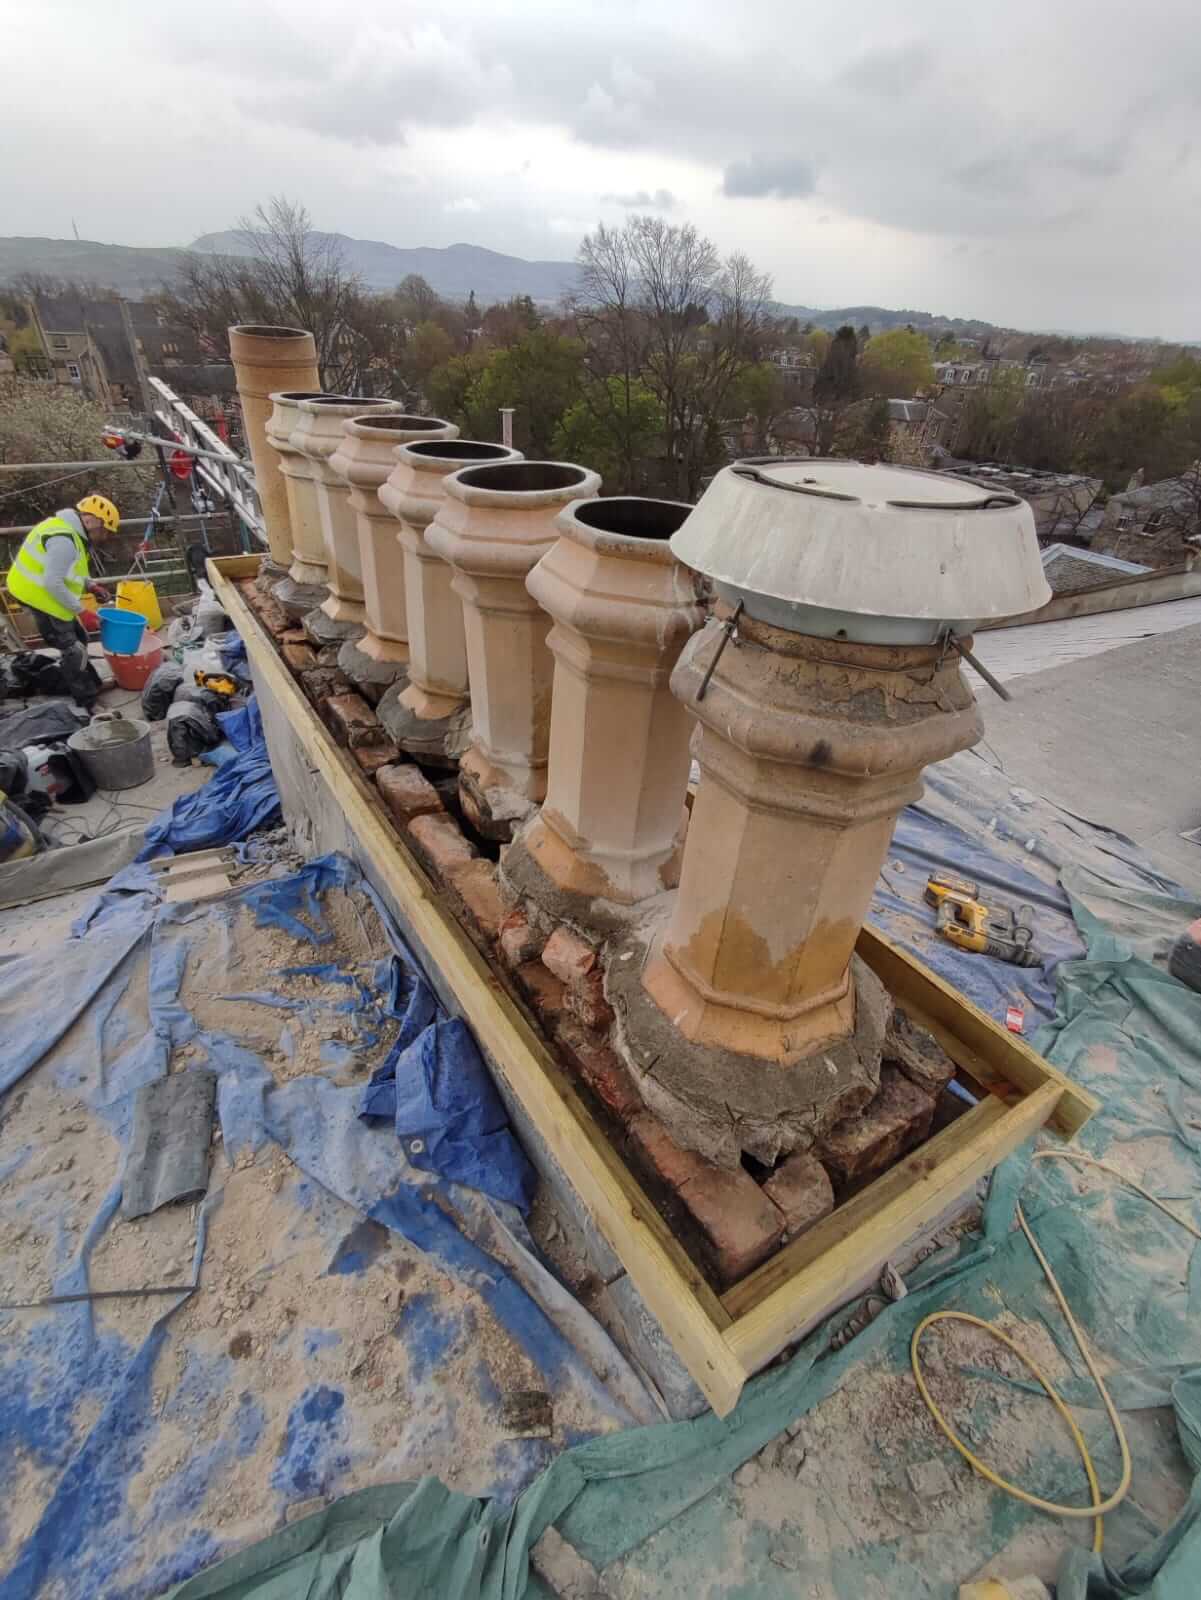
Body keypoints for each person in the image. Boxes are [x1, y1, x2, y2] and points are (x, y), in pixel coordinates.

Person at [5, 494, 119, 710]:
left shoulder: (73, 534)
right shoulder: (64, 540)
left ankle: (93, 685)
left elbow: (70, 571)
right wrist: (81, 611)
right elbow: (53, 582)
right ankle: (87, 702)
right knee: (73, 649)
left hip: (45, 590)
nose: (105, 537)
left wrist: (90, 585)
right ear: (92, 521)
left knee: (80, 638)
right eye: (105, 530)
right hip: (36, 594)